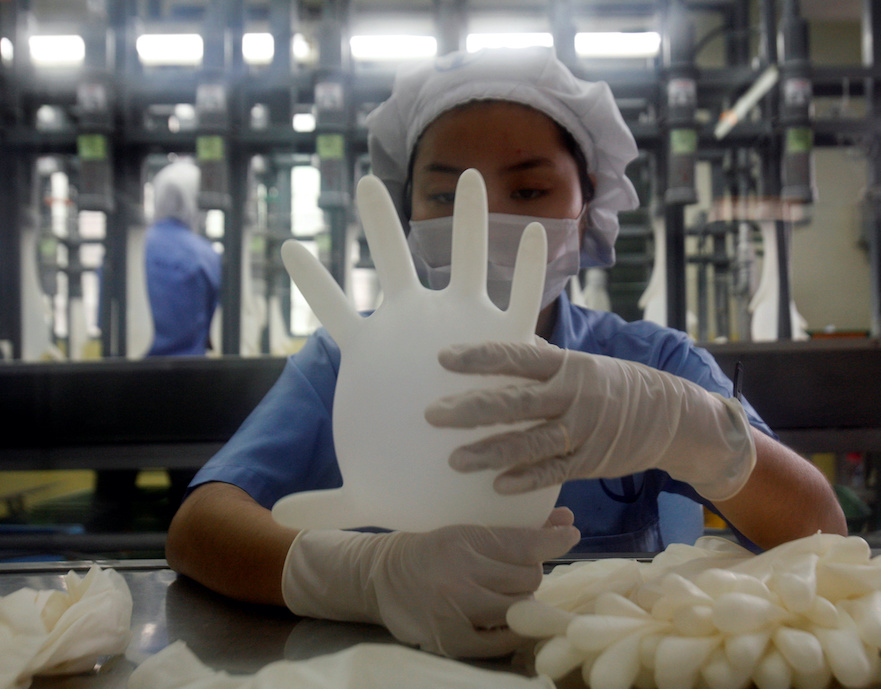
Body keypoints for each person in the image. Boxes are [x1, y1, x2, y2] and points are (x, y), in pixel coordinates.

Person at [166, 48, 846, 658]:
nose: (484, 216)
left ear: (589, 208)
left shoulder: (649, 364)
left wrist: (685, 429)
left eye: (528, 190)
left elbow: (823, 532)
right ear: (407, 215)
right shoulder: (348, 360)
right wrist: (366, 576)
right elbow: (198, 529)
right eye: (444, 192)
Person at [89, 161, 222, 531]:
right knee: (189, 496)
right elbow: (218, 328)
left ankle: (96, 566)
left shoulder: (121, 251)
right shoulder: (204, 254)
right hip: (186, 395)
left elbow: (103, 321)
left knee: (110, 499)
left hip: (122, 392)